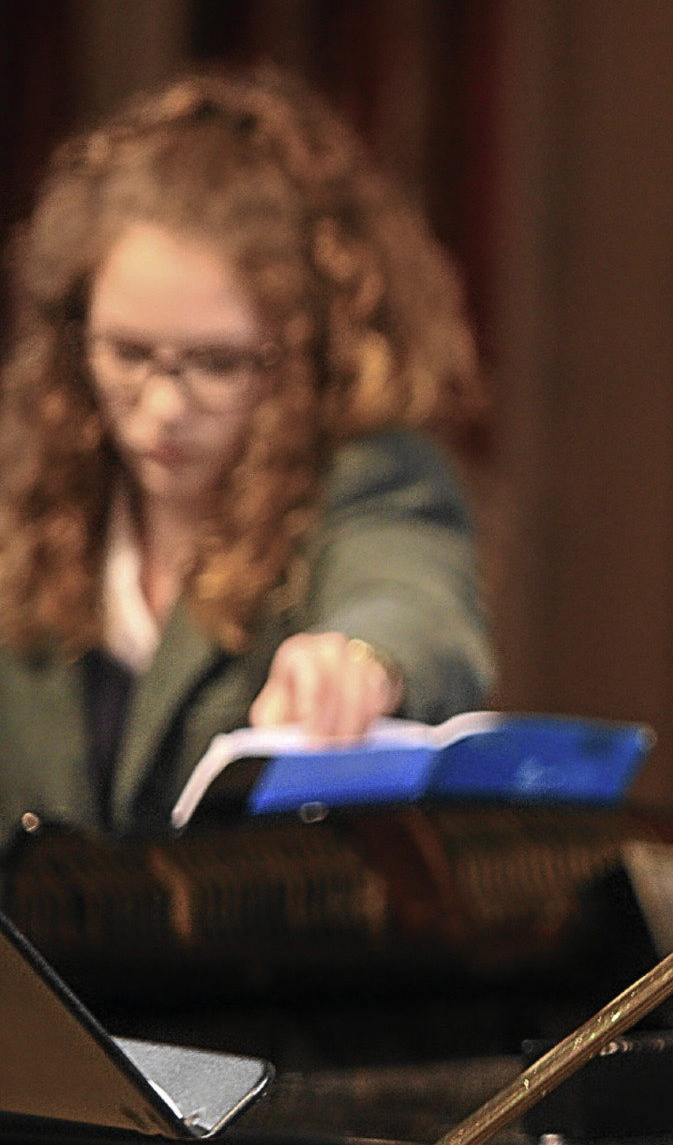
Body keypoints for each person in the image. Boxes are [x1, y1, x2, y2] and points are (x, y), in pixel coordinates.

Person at [0, 70, 493, 835]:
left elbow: (415, 601)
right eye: (129, 354)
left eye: (219, 364)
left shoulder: (368, 478)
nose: (163, 409)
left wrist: (359, 656)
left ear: (300, 353)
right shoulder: (24, 480)